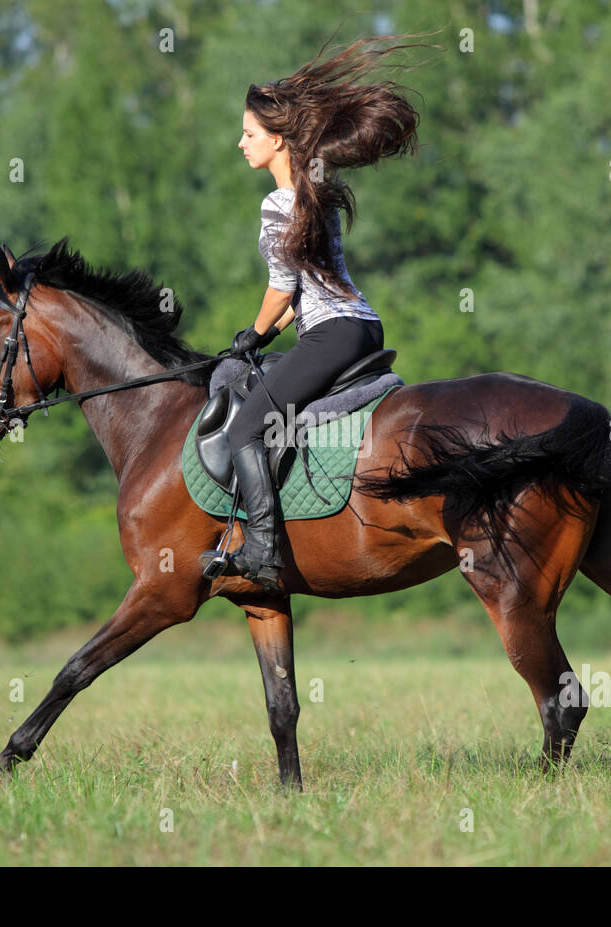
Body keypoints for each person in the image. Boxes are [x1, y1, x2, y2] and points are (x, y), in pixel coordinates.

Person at [200, 36, 428, 592]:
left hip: (331, 333)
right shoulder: (315, 189)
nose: (240, 143)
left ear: (277, 140)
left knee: (247, 429)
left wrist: (254, 333)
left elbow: (281, 289)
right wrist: (265, 332)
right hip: (358, 325)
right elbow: (305, 289)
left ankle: (263, 550)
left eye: (249, 134)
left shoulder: (279, 202)